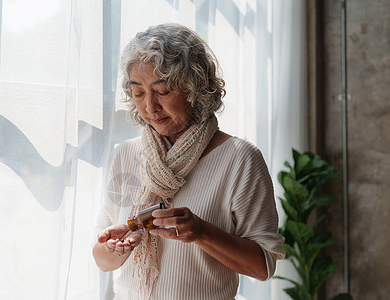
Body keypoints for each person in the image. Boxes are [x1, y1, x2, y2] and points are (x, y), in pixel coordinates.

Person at [92, 23, 285, 300]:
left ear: (195, 87)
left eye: (163, 90)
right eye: (138, 93)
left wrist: (201, 232)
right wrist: (112, 249)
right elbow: (102, 261)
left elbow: (262, 266)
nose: (149, 107)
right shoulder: (124, 154)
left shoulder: (240, 159)